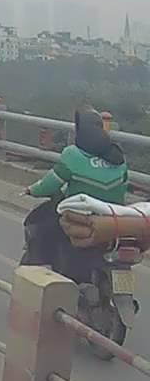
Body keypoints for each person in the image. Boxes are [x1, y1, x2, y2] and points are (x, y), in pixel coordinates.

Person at [21, 107, 129, 279]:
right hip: (112, 217)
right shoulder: (118, 157)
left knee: (41, 226)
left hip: (80, 216)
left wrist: (31, 190)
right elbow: (123, 187)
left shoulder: (73, 155)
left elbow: (49, 184)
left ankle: (43, 269)